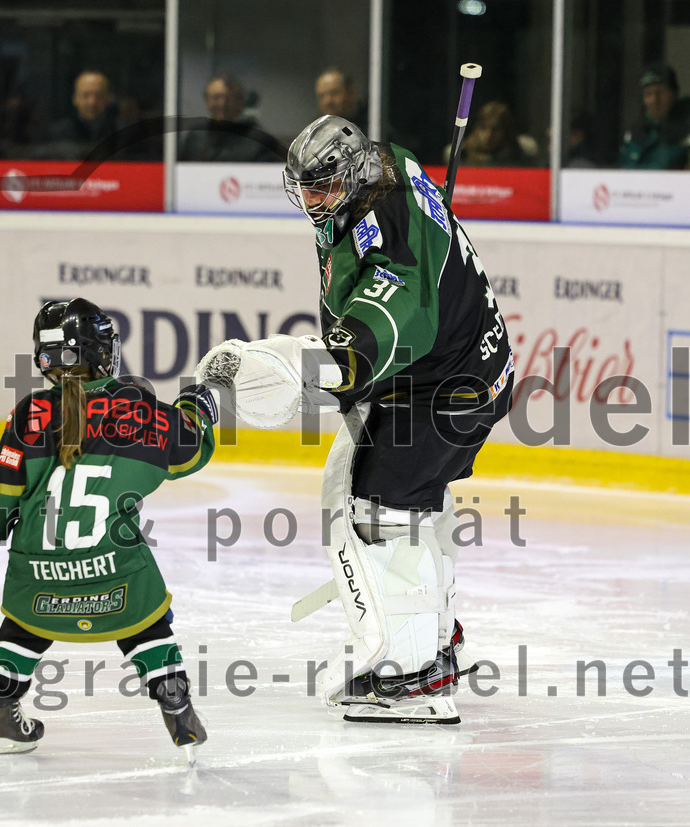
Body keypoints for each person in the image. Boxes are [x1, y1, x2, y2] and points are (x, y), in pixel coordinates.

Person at [196, 116, 514, 724]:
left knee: (380, 510)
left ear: (352, 173)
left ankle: (415, 675)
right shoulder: (387, 162)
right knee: (404, 497)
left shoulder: (388, 248)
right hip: (461, 367)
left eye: (321, 188)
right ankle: (436, 644)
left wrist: (307, 367)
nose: (310, 201)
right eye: (303, 188)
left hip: (448, 388)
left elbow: (388, 327)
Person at [0, 298, 219, 762]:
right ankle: (176, 706)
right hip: (111, 567)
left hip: (40, 568)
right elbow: (191, 450)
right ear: (102, 352)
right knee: (144, 619)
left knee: (23, 623)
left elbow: (0, 492)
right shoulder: (139, 410)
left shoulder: (31, 412)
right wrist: (197, 408)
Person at [178, 74, 283, 163]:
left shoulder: (259, 140)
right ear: (207, 100)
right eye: (216, 97)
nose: (222, 104)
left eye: (228, 98)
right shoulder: (195, 137)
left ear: (240, 102)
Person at [618, 63, 690, 169]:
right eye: (648, 94)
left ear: (674, 95)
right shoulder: (635, 134)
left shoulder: (685, 135)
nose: (655, 100)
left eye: (661, 93)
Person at [41, 70, 118, 159]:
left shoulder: (122, 132)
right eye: (85, 95)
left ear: (108, 98)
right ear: (75, 99)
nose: (92, 102)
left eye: (98, 95)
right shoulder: (57, 133)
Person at [447, 101, 538, 166]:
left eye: (495, 129)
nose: (488, 135)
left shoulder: (520, 152)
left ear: (506, 131)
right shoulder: (461, 154)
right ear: (476, 129)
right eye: (483, 128)